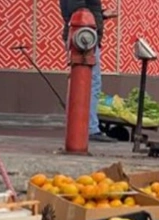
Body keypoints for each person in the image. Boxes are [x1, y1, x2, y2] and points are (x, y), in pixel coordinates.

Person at [60, 0, 117, 143]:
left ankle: (81, 126)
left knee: (81, 83)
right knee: (91, 83)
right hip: (85, 35)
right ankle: (90, 128)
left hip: (83, 34)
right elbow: (79, 11)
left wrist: (102, 14)